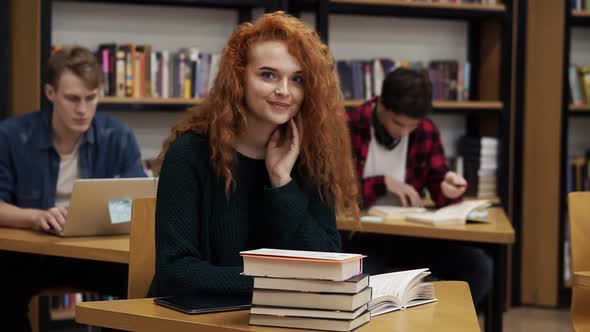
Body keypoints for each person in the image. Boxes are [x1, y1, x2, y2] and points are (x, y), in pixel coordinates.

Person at [148, 12, 359, 297]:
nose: (284, 91)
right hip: (196, 318)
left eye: (297, 79)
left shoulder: (310, 156)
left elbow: (326, 262)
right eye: (268, 75)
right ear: (238, 77)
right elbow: (176, 271)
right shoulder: (190, 152)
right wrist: (274, 284)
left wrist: (282, 183)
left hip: (280, 319)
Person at [0, 46, 146, 331]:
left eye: (90, 98)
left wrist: (104, 214)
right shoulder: (12, 136)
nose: (82, 110)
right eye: (72, 99)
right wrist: (36, 217)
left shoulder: (117, 136)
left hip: (97, 255)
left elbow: (141, 204)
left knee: (144, 280)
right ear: (50, 93)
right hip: (32, 255)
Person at [344, 67, 493, 306]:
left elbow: (438, 183)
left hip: (412, 235)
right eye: (397, 123)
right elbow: (335, 194)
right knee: (360, 287)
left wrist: (447, 189)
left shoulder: (425, 130)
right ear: (381, 103)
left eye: (411, 126)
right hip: (360, 237)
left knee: (480, 267)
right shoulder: (349, 125)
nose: (404, 133)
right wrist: (383, 184)